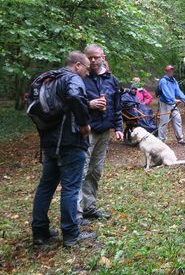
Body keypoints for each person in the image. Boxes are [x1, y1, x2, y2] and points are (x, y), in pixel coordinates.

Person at [31, 52, 97, 247]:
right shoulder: (72, 79)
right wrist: (84, 123)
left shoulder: (48, 78)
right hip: (70, 141)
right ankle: (71, 234)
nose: (86, 73)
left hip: (49, 142)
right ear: (77, 65)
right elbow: (76, 96)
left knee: (46, 187)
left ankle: (40, 232)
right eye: (86, 68)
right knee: (70, 188)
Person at [79, 44, 124, 222]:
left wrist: (118, 127)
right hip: (86, 130)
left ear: (103, 57)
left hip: (104, 130)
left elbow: (117, 105)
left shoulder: (111, 79)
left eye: (96, 57)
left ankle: (90, 208)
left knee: (95, 171)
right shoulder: (80, 78)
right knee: (81, 170)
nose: (93, 60)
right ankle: (78, 212)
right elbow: (72, 101)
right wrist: (89, 104)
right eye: (89, 57)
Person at [157, 65, 185, 144]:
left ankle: (180, 138)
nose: (171, 72)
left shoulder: (174, 80)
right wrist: (174, 100)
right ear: (166, 71)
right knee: (164, 121)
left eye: (172, 70)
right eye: (169, 70)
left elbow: (178, 91)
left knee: (177, 119)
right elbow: (166, 93)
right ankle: (161, 140)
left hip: (172, 103)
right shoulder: (163, 81)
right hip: (165, 103)